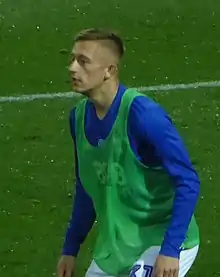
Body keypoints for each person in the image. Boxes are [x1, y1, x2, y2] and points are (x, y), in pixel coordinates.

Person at [57, 28, 200, 277]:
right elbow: (86, 189)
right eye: (72, 59)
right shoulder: (78, 118)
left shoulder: (143, 116)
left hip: (161, 239)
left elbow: (188, 181)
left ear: (109, 70)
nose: (72, 68)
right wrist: (70, 249)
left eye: (83, 61)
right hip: (116, 249)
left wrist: (170, 250)